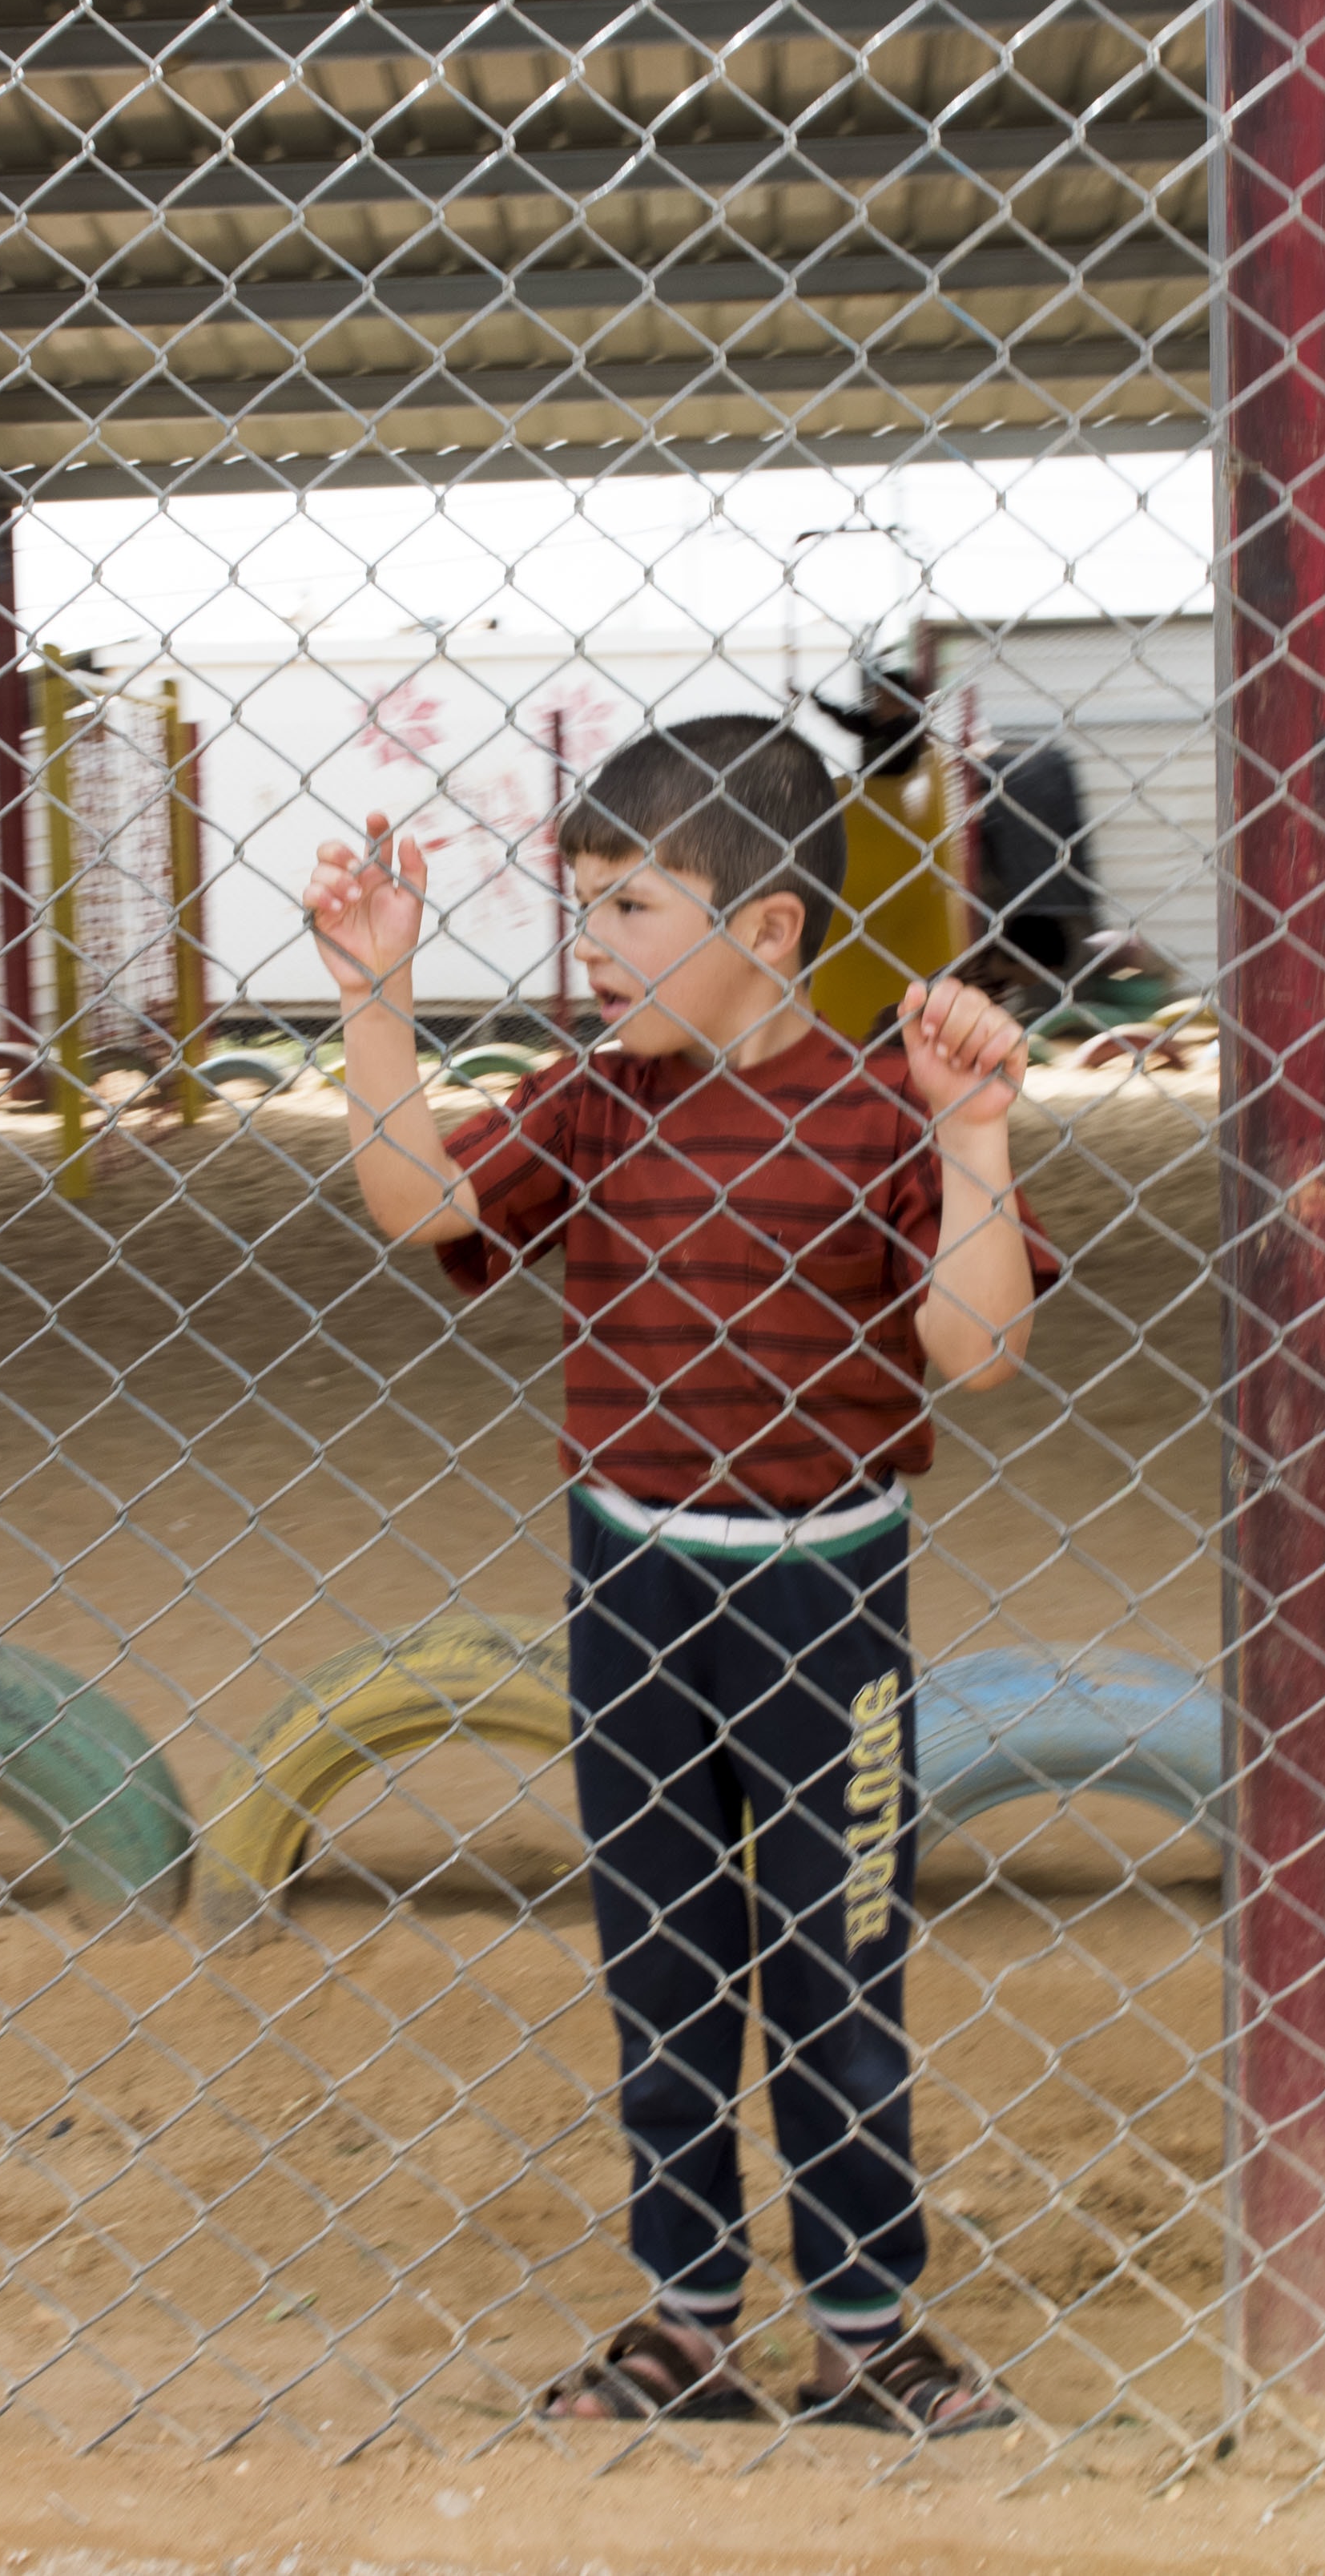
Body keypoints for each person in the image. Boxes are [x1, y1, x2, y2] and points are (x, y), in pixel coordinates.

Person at [302, 716, 1037, 2436]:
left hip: (820, 1599)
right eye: (584, 906)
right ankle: (684, 2317)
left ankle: (863, 2328)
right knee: (664, 1963)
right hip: (628, 1588)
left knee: (833, 1967)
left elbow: (974, 1349)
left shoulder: (876, 1110)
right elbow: (421, 1209)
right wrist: (372, 1004)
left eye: (630, 908)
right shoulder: (599, 1100)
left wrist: (978, 1142)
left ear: (766, 930)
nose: (593, 943)